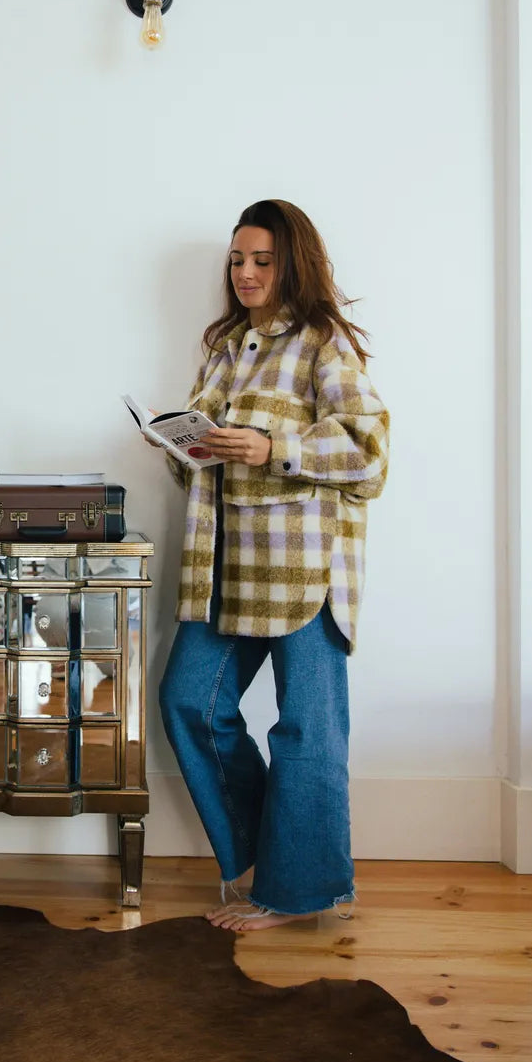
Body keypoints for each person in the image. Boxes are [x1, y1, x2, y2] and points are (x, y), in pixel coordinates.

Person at [155, 199, 389, 931]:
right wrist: (183, 448)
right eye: (237, 260)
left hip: (303, 570)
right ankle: (265, 858)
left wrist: (272, 447)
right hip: (223, 571)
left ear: (292, 263)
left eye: (261, 260)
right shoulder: (226, 347)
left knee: (308, 729)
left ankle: (301, 894)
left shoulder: (323, 344)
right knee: (189, 700)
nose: (246, 273)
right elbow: (214, 460)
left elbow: (369, 451)